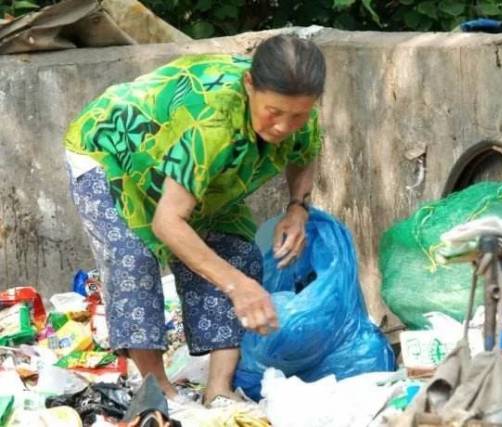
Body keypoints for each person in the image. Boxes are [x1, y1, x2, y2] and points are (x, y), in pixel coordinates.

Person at [63, 34, 326, 405]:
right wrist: (237, 287)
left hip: (194, 176)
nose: (284, 126)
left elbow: (305, 149)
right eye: (274, 112)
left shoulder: (302, 115)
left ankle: (218, 390)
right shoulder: (213, 121)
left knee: (235, 253)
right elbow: (168, 223)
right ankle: (159, 390)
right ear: (250, 85)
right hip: (112, 152)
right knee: (132, 260)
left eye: (297, 115)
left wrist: (298, 206)